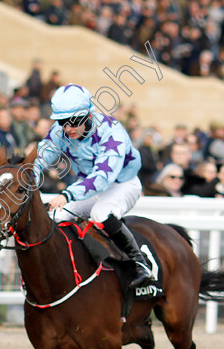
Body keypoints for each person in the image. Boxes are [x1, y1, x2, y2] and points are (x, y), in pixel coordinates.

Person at [36, 84, 150, 289]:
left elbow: (102, 178)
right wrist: (24, 181)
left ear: (89, 115)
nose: (68, 128)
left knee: (100, 213)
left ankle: (140, 262)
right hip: (87, 186)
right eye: (62, 122)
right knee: (55, 216)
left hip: (122, 183)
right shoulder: (60, 132)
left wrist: (67, 195)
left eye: (74, 122)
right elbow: (39, 160)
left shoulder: (111, 131)